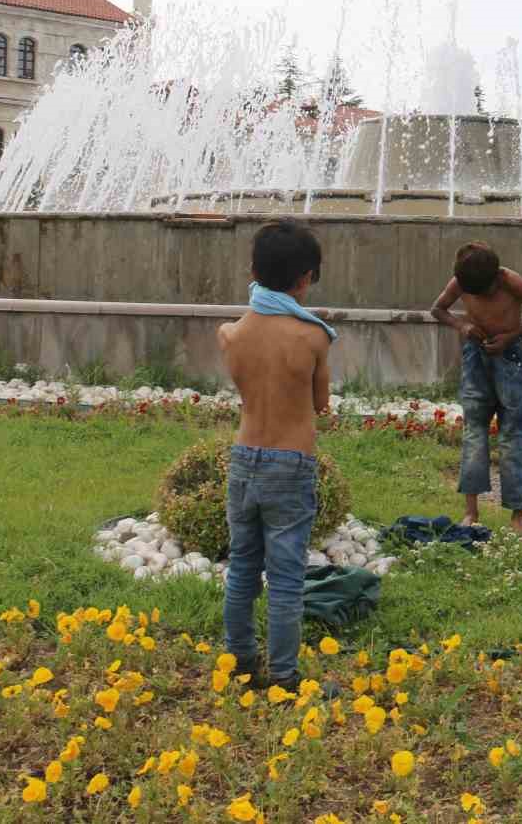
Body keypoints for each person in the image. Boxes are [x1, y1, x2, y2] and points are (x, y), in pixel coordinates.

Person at [217, 220, 333, 693]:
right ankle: (284, 677)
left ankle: (240, 661)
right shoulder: (313, 338)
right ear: (304, 278)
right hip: (291, 463)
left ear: (253, 270)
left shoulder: (230, 334)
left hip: (244, 458)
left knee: (243, 567)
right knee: (285, 578)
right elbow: (319, 404)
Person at [431, 242, 522, 534]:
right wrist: (463, 327)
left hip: (508, 358)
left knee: (513, 434)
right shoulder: (463, 280)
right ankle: (471, 511)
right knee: (474, 432)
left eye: (484, 292)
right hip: (476, 357)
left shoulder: (510, 281)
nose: (480, 297)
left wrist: (511, 336)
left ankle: (517, 513)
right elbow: (438, 309)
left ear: (496, 279)